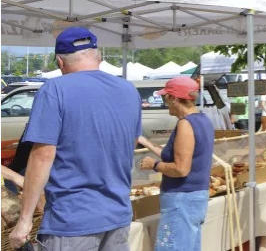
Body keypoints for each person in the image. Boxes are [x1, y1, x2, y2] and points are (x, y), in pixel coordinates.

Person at [9, 27, 142, 251]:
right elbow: (131, 142)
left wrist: (25, 219)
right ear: (98, 56)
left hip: (72, 218)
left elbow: (43, 155)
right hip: (118, 213)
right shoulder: (128, 89)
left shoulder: (55, 89)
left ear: (60, 62)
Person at [138, 77, 214, 250]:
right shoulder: (203, 120)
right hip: (195, 196)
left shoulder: (186, 124)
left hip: (182, 198)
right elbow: (179, 155)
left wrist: (154, 165)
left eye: (166, 97)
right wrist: (146, 142)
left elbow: (180, 169)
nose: (165, 102)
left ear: (174, 98)